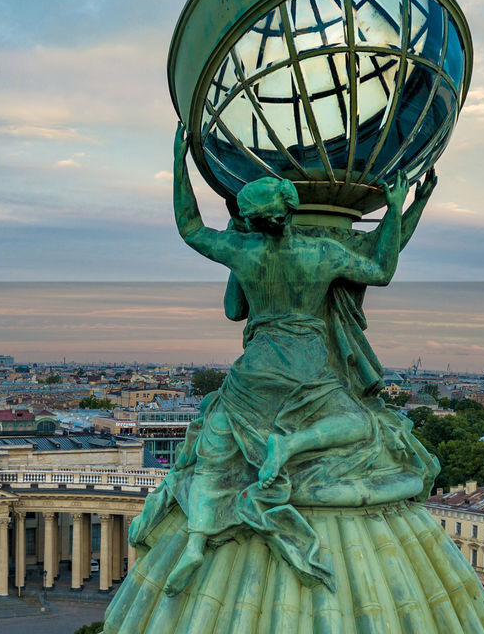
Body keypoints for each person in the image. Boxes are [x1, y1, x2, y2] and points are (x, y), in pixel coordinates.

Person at [138, 127, 410, 596]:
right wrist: (398, 209)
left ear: (252, 219)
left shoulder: (242, 250)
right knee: (359, 425)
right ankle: (292, 444)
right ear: (288, 212)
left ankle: (197, 542)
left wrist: (180, 161)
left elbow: (189, 226)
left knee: (211, 461)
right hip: (307, 369)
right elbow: (382, 269)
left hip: (253, 373)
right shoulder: (321, 251)